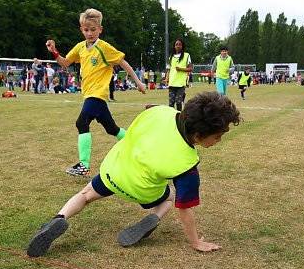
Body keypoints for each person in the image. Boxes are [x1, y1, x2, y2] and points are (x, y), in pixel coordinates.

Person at [26, 91, 241, 257]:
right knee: (169, 199)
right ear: (197, 134)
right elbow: (184, 210)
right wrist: (196, 242)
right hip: (141, 190)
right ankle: (153, 217)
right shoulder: (188, 166)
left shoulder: (160, 111)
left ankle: (59, 218)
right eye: (218, 136)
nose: (219, 141)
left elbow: (149, 109)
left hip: (114, 170)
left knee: (85, 195)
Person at [45, 8, 146, 177]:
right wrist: (54, 51)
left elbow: (123, 62)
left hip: (98, 94)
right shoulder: (80, 48)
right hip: (89, 93)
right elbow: (64, 63)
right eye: (86, 30)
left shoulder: (104, 48)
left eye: (93, 30)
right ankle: (138, 144)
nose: (89, 33)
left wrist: (138, 81)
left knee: (81, 123)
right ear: (81, 30)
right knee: (111, 128)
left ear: (100, 29)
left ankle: (84, 165)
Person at [165, 39, 192, 111]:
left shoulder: (186, 56)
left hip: (180, 84)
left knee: (178, 102)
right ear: (174, 46)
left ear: (182, 46)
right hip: (172, 83)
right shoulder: (171, 57)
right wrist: (166, 80)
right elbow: (169, 70)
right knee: (171, 103)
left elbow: (190, 68)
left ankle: (179, 118)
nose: (178, 46)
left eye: (180, 44)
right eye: (176, 45)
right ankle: (171, 119)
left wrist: (181, 69)